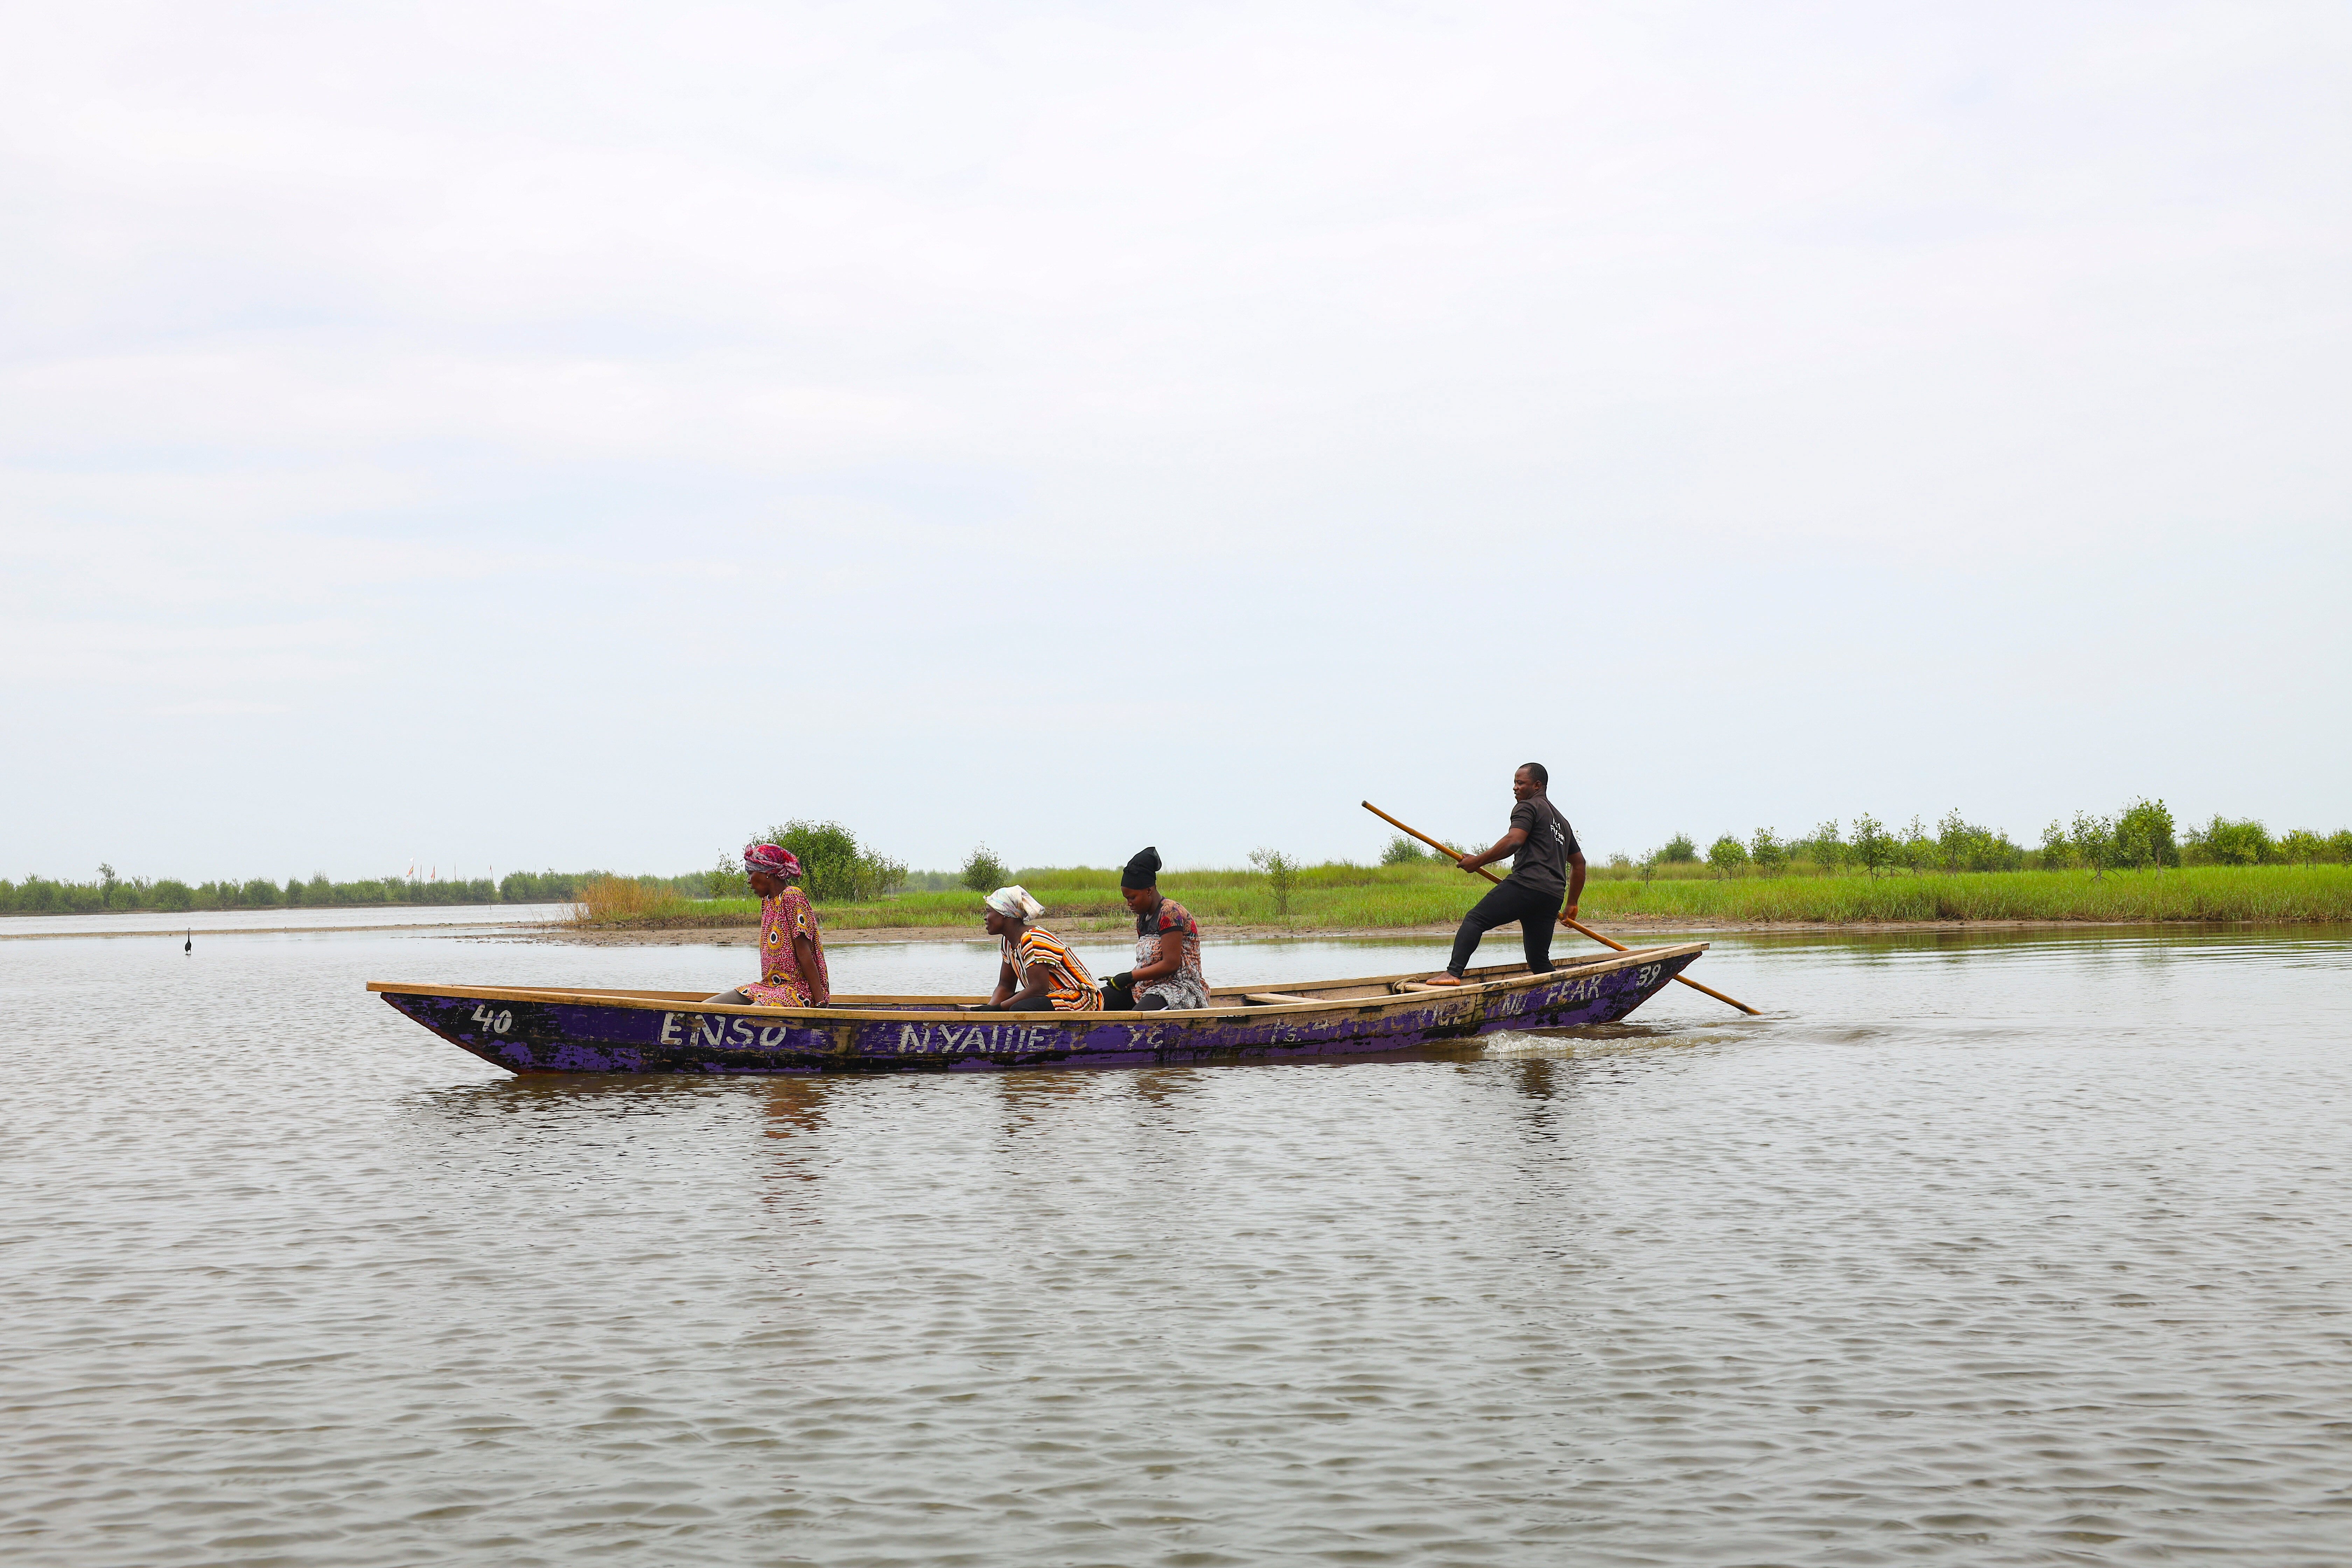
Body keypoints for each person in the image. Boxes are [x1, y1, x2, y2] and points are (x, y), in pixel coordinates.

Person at [1423, 762, 1586, 986]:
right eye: (1515, 783)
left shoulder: (1527, 807)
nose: (1515, 788)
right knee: (1538, 960)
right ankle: (1561, 991)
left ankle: (1453, 974)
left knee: (1475, 920)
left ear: (1537, 785)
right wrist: (1572, 903)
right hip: (1552, 896)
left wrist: (1477, 861)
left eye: (1521, 783)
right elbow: (1580, 864)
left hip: (1527, 885)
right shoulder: (1562, 823)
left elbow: (1514, 841)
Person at [704, 841, 831, 1007]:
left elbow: (804, 953)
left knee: (754, 1012)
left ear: (768, 873)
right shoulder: (768, 902)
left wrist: (820, 1002)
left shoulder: (792, 896)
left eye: (751, 873)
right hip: (769, 988)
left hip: (798, 990)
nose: (749, 881)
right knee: (707, 1007)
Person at [1102, 846, 1209, 1010]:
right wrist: (1124, 981)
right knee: (1098, 1001)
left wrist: (1130, 977)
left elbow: (1171, 964)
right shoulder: (1142, 918)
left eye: (1133, 898)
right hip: (1148, 986)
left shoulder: (1170, 912)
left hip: (1179, 988)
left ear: (1149, 890)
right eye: (1126, 899)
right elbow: (1149, 963)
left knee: (1138, 1016)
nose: (1129, 903)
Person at [981, 886, 1103, 1011]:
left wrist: (999, 1008)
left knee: (1019, 1008)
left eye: (989, 912)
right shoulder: (1008, 942)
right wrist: (989, 1010)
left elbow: (1038, 990)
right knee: (1012, 1003)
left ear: (1004, 914)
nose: (986, 917)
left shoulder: (1033, 939)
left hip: (1082, 999)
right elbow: (1006, 987)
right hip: (1053, 997)